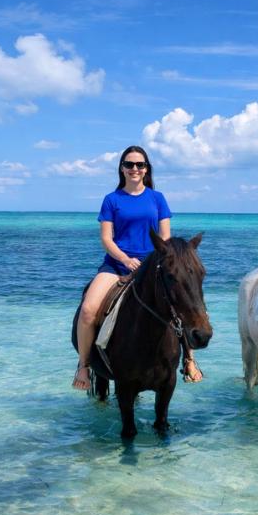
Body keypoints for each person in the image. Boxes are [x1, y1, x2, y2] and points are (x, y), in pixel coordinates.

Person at [72, 145, 203, 390]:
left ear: (146, 169)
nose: (135, 169)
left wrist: (159, 261)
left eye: (140, 165)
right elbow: (106, 239)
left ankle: (189, 360)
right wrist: (125, 259)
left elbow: (165, 238)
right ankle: (84, 366)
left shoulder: (157, 198)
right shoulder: (112, 200)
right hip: (116, 265)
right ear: (122, 169)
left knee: (183, 303)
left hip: (153, 265)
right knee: (88, 310)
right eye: (129, 164)